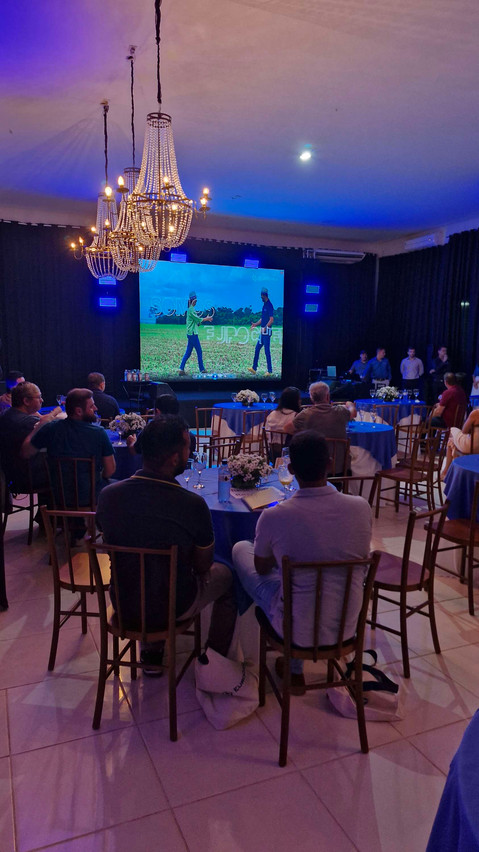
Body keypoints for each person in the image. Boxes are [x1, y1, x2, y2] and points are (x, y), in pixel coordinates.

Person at [232, 431, 372, 694]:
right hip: (346, 626)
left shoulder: (274, 516)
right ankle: (293, 668)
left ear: (291, 469)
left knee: (241, 549)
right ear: (330, 463)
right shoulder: (361, 508)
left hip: (293, 630)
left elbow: (261, 568)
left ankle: (274, 659)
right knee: (299, 577)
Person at [96, 415, 237, 672]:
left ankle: (152, 653)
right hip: (174, 605)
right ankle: (213, 662)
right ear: (174, 458)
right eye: (187, 447)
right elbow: (203, 566)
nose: (189, 452)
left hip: (124, 602)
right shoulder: (191, 504)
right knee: (229, 576)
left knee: (149, 571)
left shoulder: (108, 496)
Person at [22, 387, 115, 506]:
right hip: (90, 497)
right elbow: (110, 470)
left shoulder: (50, 429)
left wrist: (40, 426)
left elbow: (26, 452)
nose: (96, 408)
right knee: (120, 489)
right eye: (91, 406)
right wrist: (98, 476)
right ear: (79, 411)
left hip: (58, 497)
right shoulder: (99, 433)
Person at [0, 382, 61, 493]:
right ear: (26, 401)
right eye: (39, 397)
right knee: (68, 469)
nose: (42, 400)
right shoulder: (29, 423)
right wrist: (55, 413)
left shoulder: (5, 414)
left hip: (9, 475)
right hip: (28, 477)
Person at [285, 381, 355, 475]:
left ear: (311, 398)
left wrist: (305, 435)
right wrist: (350, 405)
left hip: (313, 469)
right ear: (327, 396)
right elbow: (353, 413)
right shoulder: (340, 411)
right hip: (339, 469)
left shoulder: (306, 414)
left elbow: (287, 428)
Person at [179, 291, 213, 376]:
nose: (196, 302)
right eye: (196, 300)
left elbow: (196, 323)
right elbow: (198, 320)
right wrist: (207, 319)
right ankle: (202, 369)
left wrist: (204, 319)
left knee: (188, 352)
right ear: (193, 300)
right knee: (199, 351)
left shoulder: (191, 310)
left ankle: (181, 369)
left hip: (191, 334)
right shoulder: (191, 310)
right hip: (193, 334)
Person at [441, 409, 479, 479]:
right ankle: (449, 472)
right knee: (452, 442)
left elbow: (464, 430)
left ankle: (447, 472)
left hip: (470, 446)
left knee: (452, 430)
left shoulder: (476, 413)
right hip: (477, 448)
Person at [248, 287, 274, 377]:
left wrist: (265, 328)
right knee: (257, 349)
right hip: (263, 332)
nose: (261, 298)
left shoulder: (269, 305)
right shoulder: (264, 305)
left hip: (267, 332)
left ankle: (269, 371)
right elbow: (263, 319)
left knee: (267, 351)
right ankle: (254, 368)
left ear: (264, 295)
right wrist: (255, 324)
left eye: (261, 296)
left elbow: (271, 319)